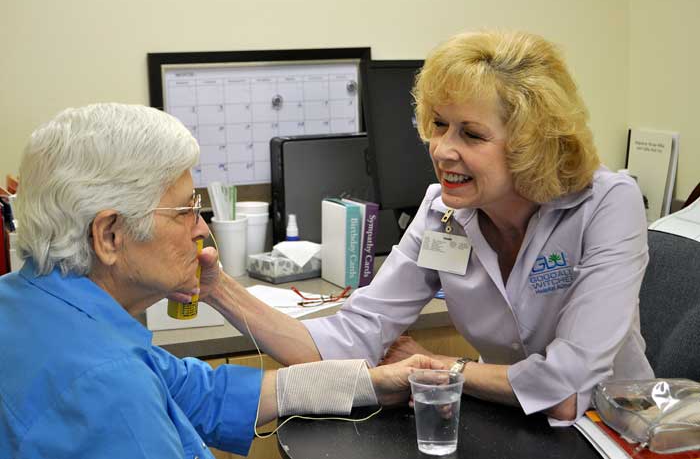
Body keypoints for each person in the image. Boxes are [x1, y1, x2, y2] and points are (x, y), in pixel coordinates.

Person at [205, 30, 655, 426]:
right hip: (508, 422)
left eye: (471, 135)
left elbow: (564, 389)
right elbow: (346, 341)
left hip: (614, 430)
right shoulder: (442, 213)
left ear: (530, 144)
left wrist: (443, 366)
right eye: (439, 125)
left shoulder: (606, 203)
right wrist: (216, 288)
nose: (442, 149)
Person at [0, 103, 445, 459]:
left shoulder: (29, 306)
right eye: (185, 210)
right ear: (109, 235)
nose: (201, 229)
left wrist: (372, 384)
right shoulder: (107, 386)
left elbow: (209, 395)